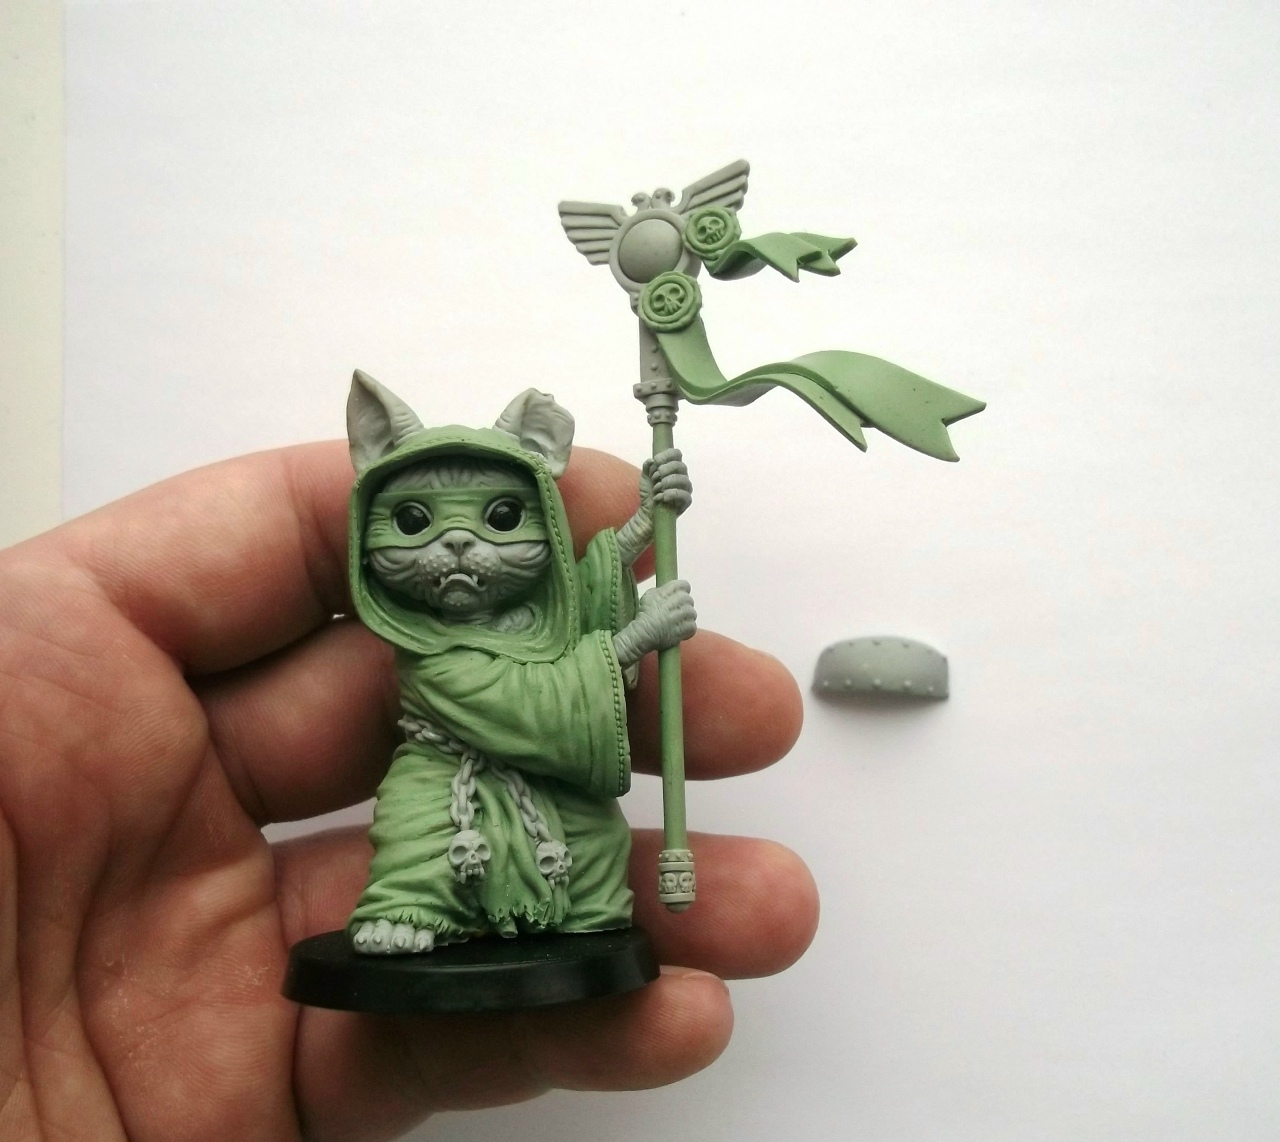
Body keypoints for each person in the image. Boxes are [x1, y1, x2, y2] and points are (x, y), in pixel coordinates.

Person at [0, 439, 817, 1142]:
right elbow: (525, 704)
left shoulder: (532, 616)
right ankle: (418, 911)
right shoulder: (433, 655)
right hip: (451, 781)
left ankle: (581, 914)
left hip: (553, 794)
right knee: (423, 843)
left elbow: (571, 611)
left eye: (501, 519)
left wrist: (642, 525)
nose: (458, 546)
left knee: (592, 848)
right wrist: (636, 638)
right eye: (416, 522)